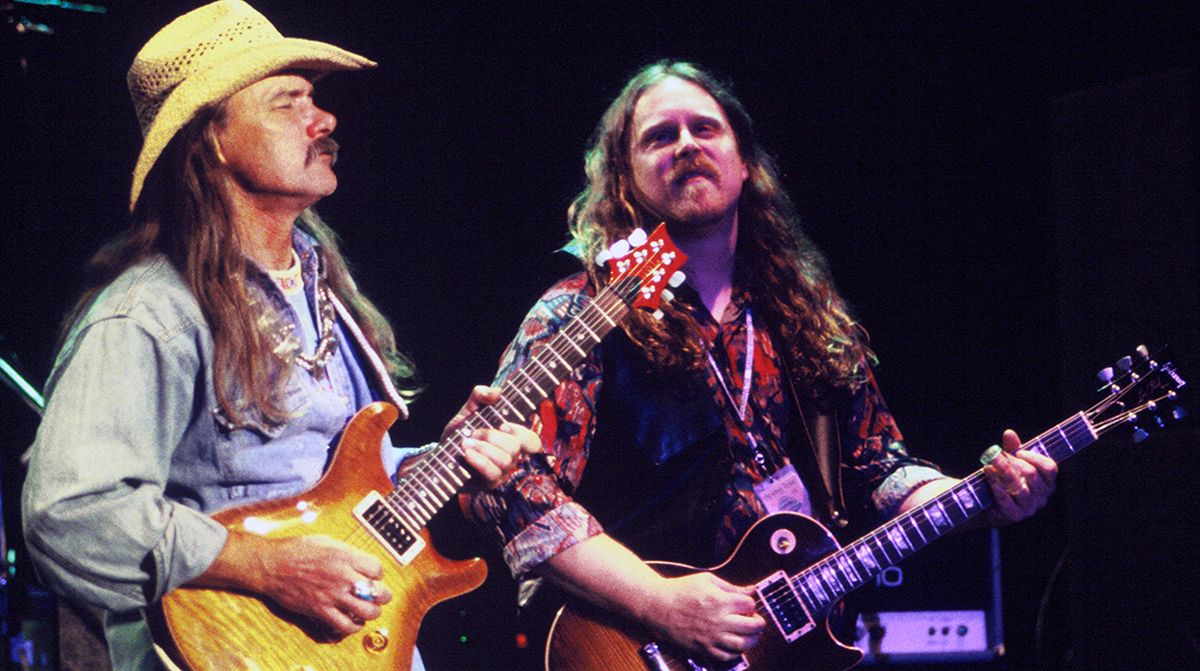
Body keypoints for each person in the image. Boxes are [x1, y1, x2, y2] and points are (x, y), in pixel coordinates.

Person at [462, 60, 1058, 664]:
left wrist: (977, 495)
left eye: (705, 128)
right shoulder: (581, 312)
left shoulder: (807, 316)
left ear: (744, 163)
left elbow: (879, 471)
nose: (687, 145)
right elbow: (507, 486)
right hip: (627, 644)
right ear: (625, 175)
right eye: (660, 136)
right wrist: (656, 602)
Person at [20, 2, 540, 670]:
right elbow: (70, 515)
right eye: (286, 102)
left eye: (315, 100)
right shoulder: (149, 315)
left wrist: (442, 458)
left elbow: (326, 485)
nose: (322, 120)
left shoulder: (325, 290)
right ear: (212, 140)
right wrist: (266, 566)